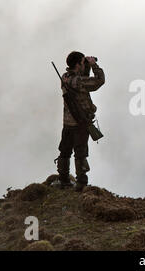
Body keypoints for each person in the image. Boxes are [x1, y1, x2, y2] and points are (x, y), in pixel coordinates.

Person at [55, 51, 105, 191]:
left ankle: (63, 180)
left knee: (65, 151)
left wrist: (86, 66)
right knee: (80, 154)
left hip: (68, 122)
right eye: (83, 62)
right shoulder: (79, 81)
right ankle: (81, 183)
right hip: (81, 123)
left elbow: (81, 80)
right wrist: (94, 66)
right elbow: (98, 81)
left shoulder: (65, 77)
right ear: (78, 64)